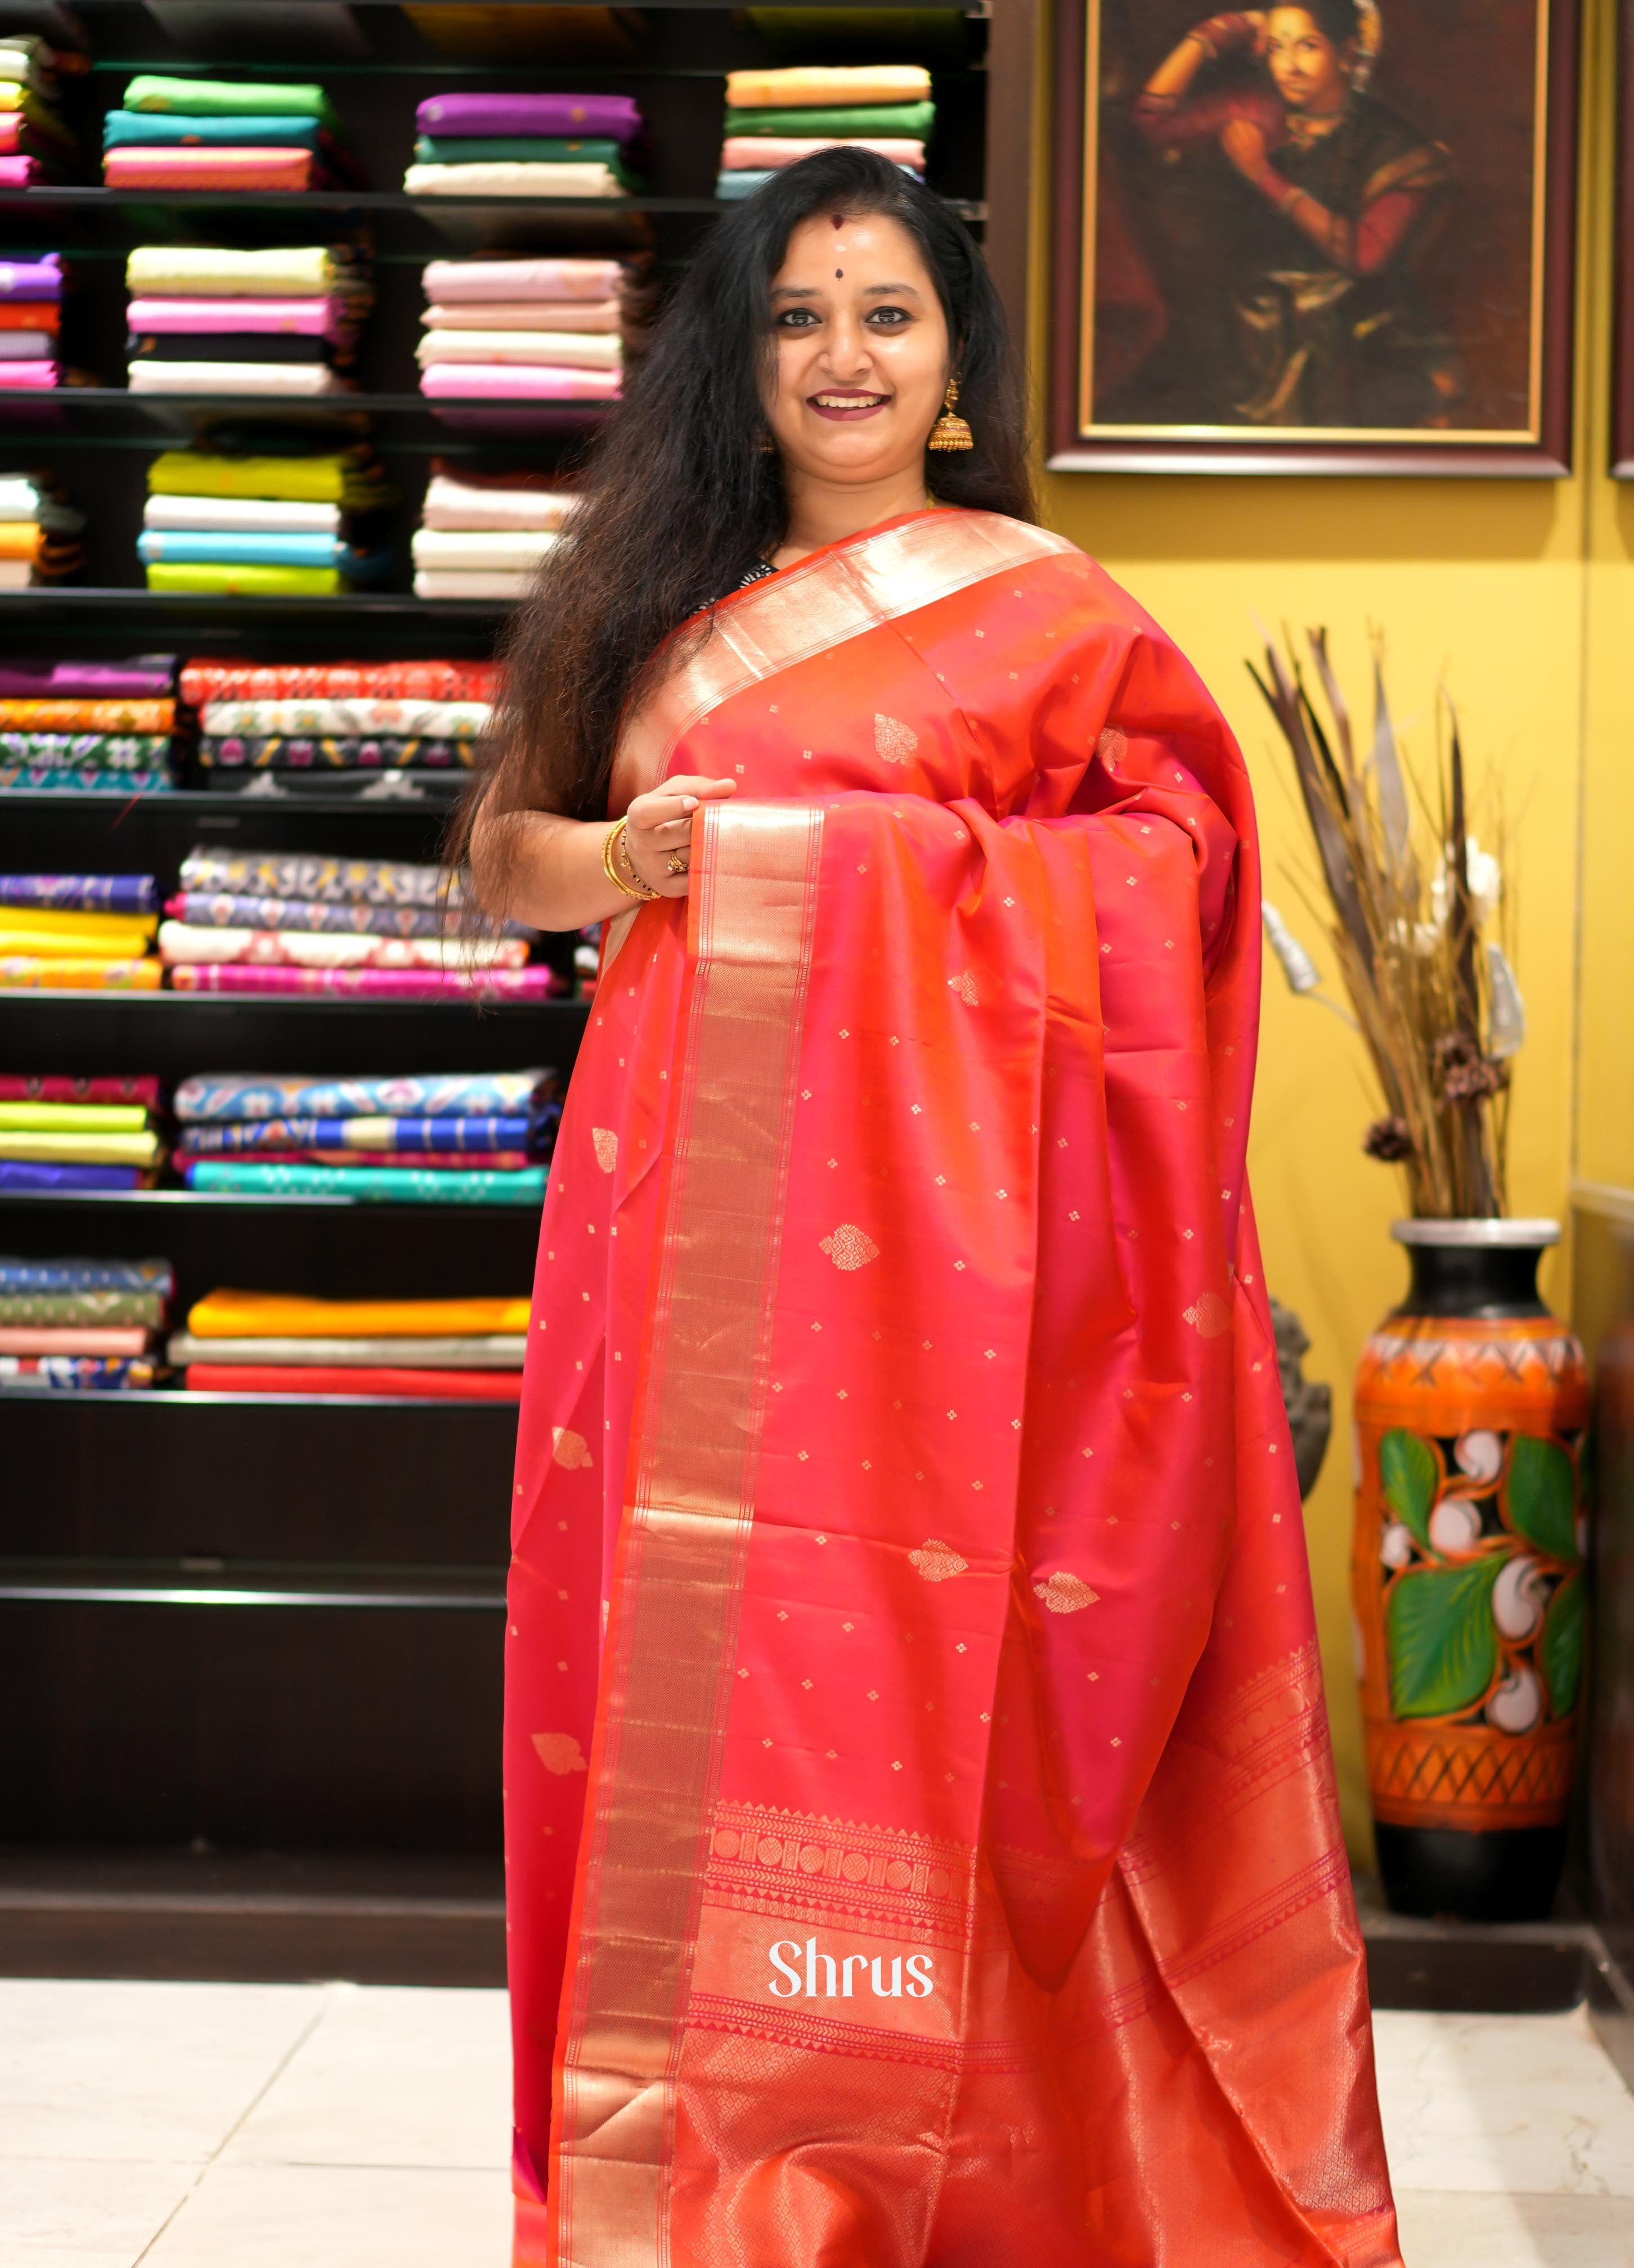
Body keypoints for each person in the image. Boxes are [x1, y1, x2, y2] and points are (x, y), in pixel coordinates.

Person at [457, 145, 1403, 2267]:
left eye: (884, 310)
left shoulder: (1047, 609)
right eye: (794, 315)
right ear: (739, 356)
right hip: (679, 1249)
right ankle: (708, 2160)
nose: (840, 354)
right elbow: (512, 852)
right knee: (686, 1674)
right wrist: (636, 861)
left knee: (934, 1665)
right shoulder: (652, 606)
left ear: (955, 358)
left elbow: (1175, 880)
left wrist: (876, 870)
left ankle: (955, 2167)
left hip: (957, 1294)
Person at [1124, 1, 1461, 427]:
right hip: (1251, 332)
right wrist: (1221, 30)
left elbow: (1363, 254)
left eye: (1308, 47)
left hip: (1355, 336)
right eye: (1278, 48)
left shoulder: (1394, 144)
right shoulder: (1258, 110)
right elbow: (1151, 119)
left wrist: (1263, 175)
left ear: (1347, 52)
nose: (1290, 66)